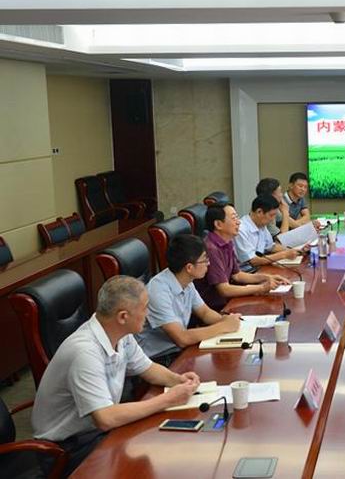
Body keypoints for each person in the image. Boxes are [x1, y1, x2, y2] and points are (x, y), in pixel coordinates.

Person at [31, 276, 200, 475]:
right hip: (67, 449)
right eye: (145, 308)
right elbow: (105, 418)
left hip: (96, 432)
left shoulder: (121, 334)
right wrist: (168, 399)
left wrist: (178, 380)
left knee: (165, 448)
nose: (148, 313)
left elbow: (148, 368)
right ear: (123, 317)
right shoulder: (85, 352)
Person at [136, 234, 242, 365]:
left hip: (178, 350)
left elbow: (205, 313)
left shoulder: (186, 279)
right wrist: (223, 326)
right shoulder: (158, 291)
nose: (208, 264)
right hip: (159, 358)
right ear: (189, 267)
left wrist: (226, 320)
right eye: (204, 260)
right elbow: (181, 338)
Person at [194, 203, 289, 311]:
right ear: (218, 224)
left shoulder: (227, 241)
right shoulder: (211, 249)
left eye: (237, 217)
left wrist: (267, 277)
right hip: (215, 308)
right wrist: (262, 287)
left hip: (227, 301)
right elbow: (224, 290)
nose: (238, 222)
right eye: (234, 218)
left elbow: (237, 275)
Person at [235, 194, 303, 269]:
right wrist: (284, 254)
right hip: (246, 271)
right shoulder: (241, 230)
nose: (273, 219)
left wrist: (295, 251)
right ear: (259, 212)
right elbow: (253, 261)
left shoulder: (261, 225)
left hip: (259, 268)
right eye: (271, 215)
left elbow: (271, 247)